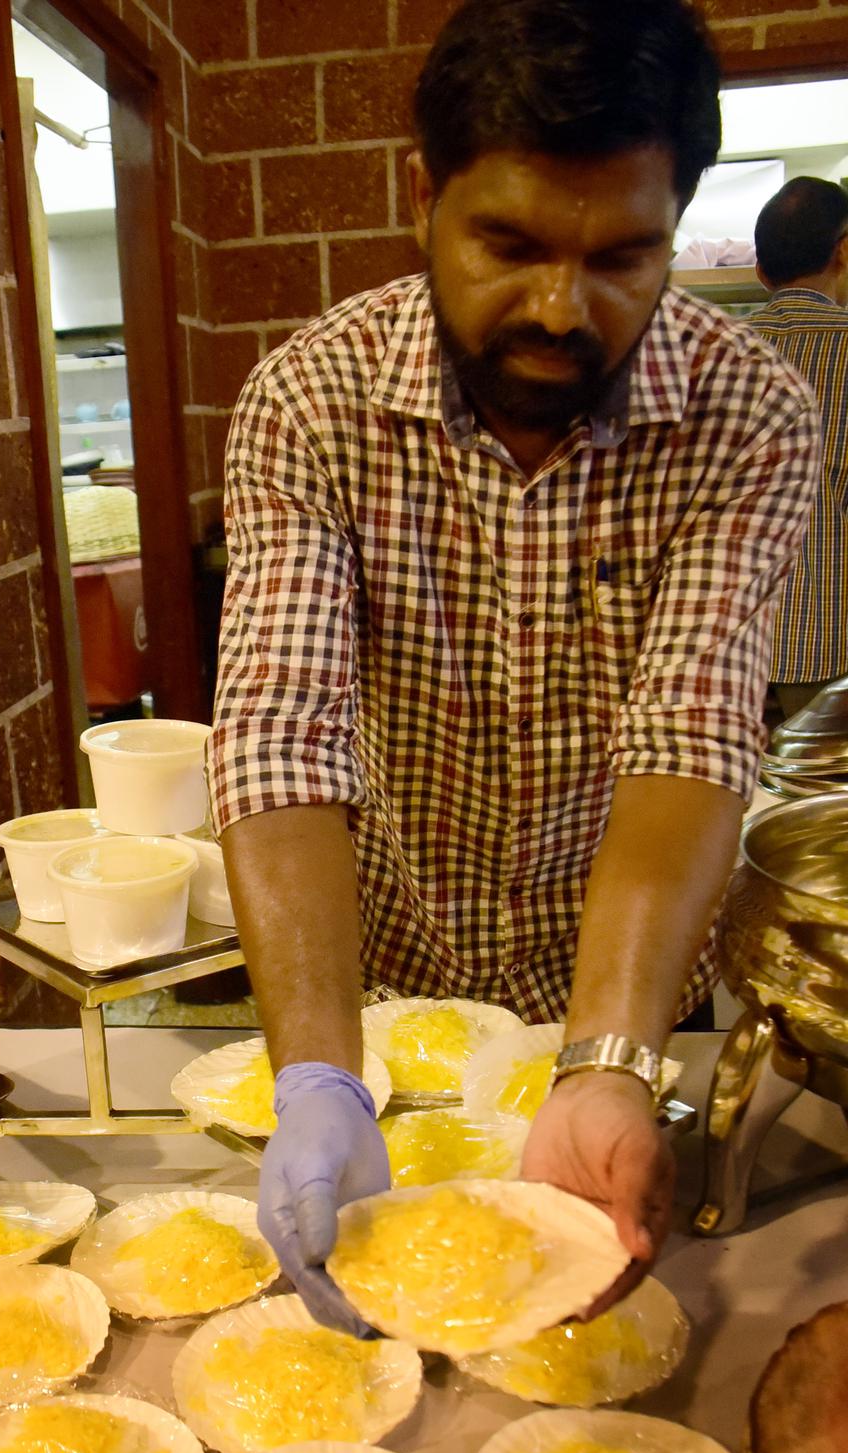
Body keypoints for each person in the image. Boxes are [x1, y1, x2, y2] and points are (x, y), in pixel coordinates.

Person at [207, 0, 821, 1334]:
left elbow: (693, 726)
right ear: (422, 196)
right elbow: (283, 725)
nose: (561, 307)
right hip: (387, 966)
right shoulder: (310, 399)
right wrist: (317, 1074)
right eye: (510, 243)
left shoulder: (751, 413)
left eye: (622, 257)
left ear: (678, 225)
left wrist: (606, 1064)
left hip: (629, 986)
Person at [752, 176, 848, 720]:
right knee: (822, 803)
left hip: (725, 650)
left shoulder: (712, 359)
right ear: (844, 250)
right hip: (830, 647)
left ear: (761, 271)